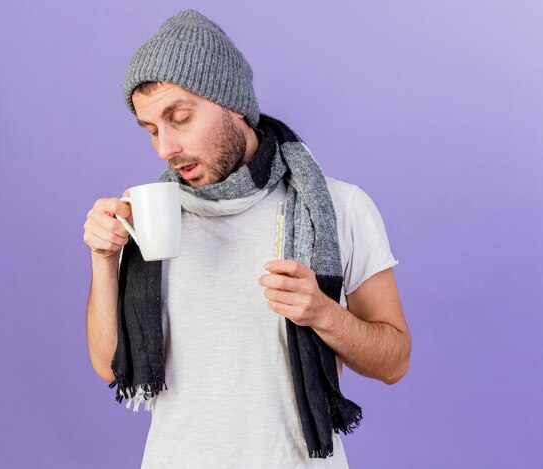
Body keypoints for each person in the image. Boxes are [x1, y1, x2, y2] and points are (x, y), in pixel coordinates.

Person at [83, 8, 411, 469]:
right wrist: (103, 257)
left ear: (233, 103)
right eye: (152, 129)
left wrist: (323, 313)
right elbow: (108, 365)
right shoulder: (147, 218)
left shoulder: (340, 208)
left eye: (180, 118)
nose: (165, 148)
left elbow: (393, 360)